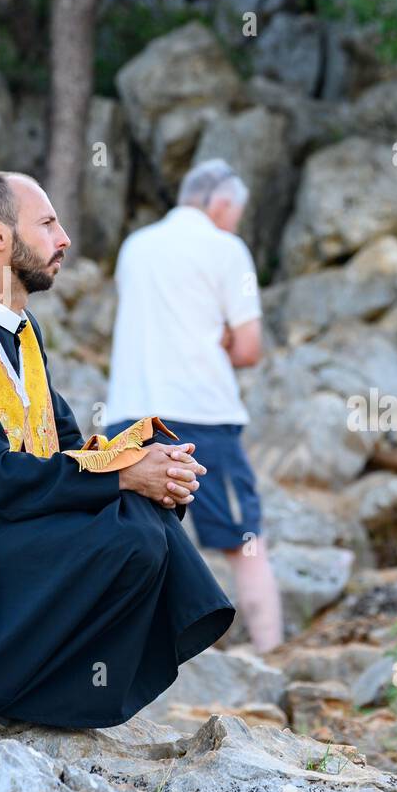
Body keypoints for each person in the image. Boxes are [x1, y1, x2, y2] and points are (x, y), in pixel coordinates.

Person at [0, 171, 235, 728]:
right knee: (128, 520)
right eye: (48, 223)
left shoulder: (22, 337)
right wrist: (125, 478)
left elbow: (72, 451)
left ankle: (43, 690)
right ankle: (12, 685)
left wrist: (152, 469)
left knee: (140, 515)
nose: (65, 239)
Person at [104, 159, 283, 653]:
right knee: (242, 538)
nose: (235, 225)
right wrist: (221, 337)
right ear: (220, 203)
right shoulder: (226, 249)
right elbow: (249, 349)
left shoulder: (134, 247)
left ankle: (125, 656)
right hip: (203, 412)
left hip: (131, 414)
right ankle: (270, 651)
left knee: (136, 541)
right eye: (235, 214)